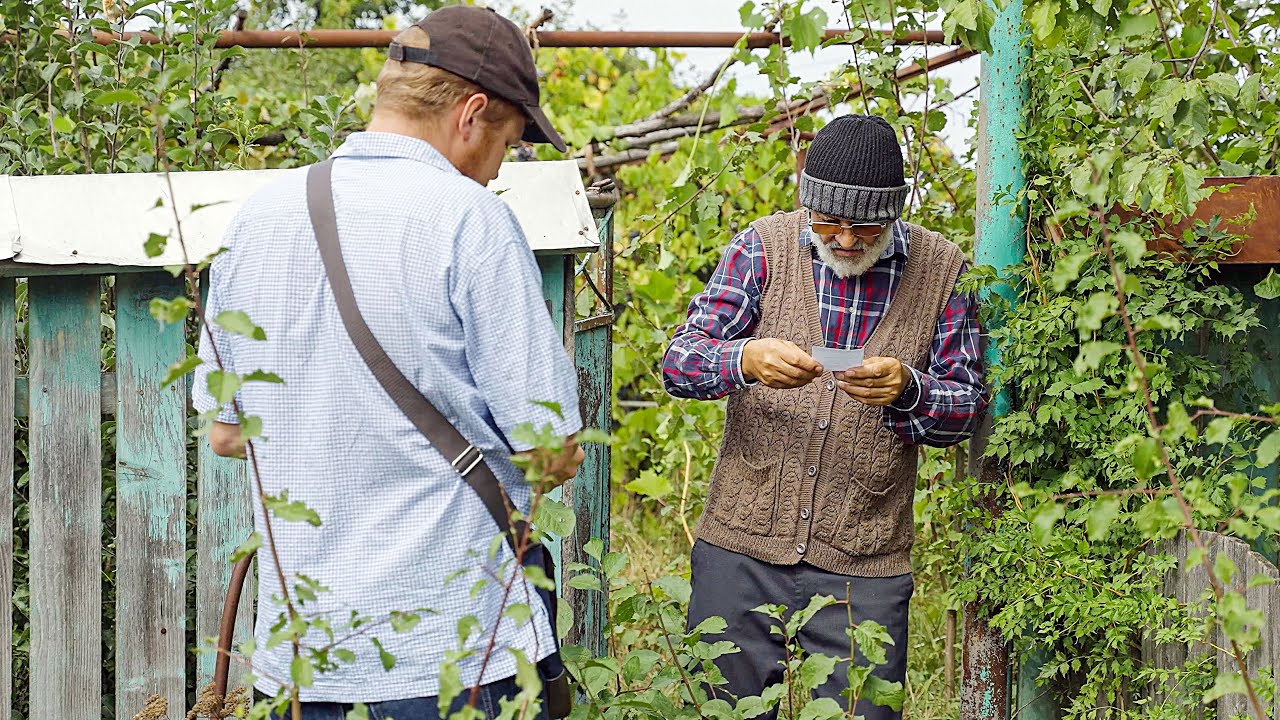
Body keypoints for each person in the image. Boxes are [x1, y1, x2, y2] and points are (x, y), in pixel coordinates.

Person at [192, 7, 583, 718]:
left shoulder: (257, 219)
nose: (499, 168)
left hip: (301, 661)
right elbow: (548, 452)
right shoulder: (472, 220)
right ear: (470, 114)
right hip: (450, 656)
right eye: (509, 142)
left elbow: (226, 434)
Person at [662, 114, 987, 720]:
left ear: (892, 215)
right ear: (806, 204)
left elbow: (966, 407)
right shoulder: (763, 247)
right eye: (827, 222)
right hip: (741, 551)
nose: (842, 239)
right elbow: (679, 362)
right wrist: (745, 358)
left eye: (863, 226)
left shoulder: (943, 271)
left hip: (863, 567)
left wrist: (910, 391)